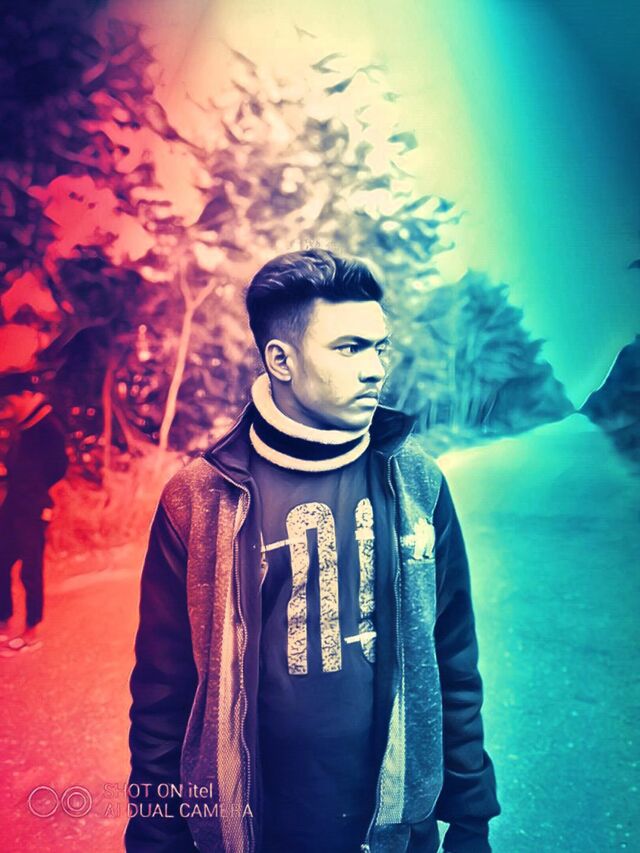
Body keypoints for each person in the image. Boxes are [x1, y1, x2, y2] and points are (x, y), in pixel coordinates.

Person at [125, 249, 500, 853]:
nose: (375, 369)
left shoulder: (418, 483)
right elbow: (162, 693)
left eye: (379, 348)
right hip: (250, 831)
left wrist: (471, 818)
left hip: (393, 832)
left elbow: (452, 659)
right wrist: (154, 835)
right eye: (350, 348)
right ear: (281, 359)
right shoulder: (198, 499)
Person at [0, 378, 69, 655]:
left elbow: (59, 466)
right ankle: (4, 622)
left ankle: (31, 631)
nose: (6, 408)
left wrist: (37, 489)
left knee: (30, 568)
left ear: (26, 395)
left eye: (8, 401)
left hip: (33, 506)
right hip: (13, 504)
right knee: (1, 559)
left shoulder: (48, 424)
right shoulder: (24, 425)